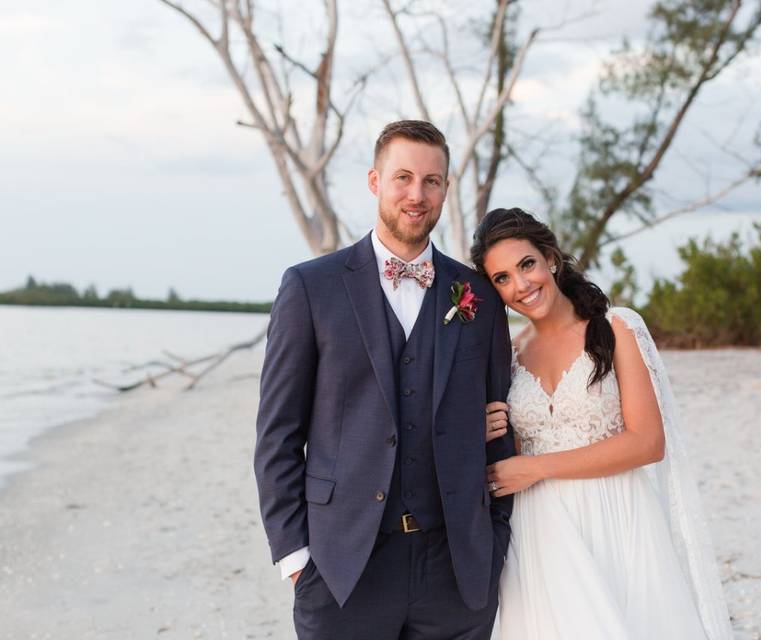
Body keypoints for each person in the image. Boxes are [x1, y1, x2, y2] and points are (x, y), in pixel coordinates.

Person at [254, 120, 514, 640]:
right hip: (342, 567)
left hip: (456, 572)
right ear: (375, 182)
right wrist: (296, 558)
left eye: (432, 181)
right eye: (402, 178)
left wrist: (494, 541)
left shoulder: (478, 297)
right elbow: (277, 436)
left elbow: (499, 423)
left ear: (444, 188)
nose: (416, 195)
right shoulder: (311, 287)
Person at [471, 208, 734, 640]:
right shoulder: (510, 355)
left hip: (618, 516)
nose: (520, 286)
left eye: (527, 265)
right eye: (502, 278)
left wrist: (537, 468)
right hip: (540, 531)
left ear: (550, 258)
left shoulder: (617, 328)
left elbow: (648, 442)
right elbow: (512, 448)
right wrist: (481, 427)